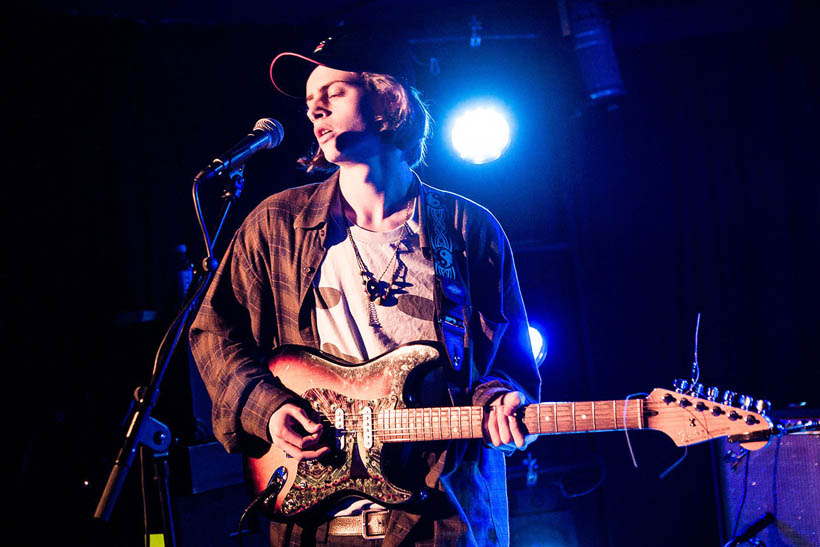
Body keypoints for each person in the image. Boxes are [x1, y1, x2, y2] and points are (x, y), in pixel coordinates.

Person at [189, 28, 541, 546]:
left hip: (442, 519)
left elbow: (509, 364)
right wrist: (268, 407)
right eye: (311, 103)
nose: (315, 111)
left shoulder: (469, 229)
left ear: (387, 103)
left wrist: (502, 399)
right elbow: (212, 330)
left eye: (333, 94)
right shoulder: (275, 224)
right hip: (315, 521)